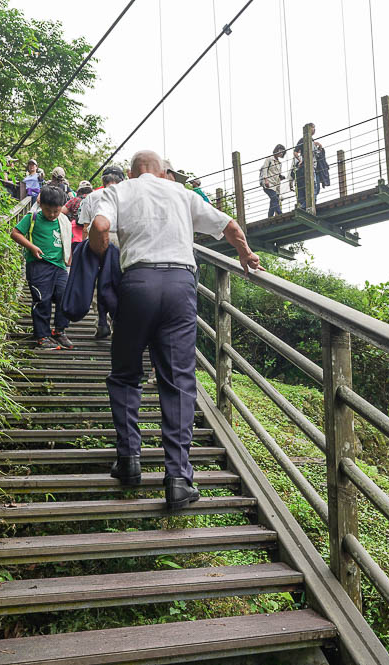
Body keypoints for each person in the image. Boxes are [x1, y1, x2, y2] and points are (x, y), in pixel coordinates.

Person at [88, 150, 260, 509]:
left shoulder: (119, 191)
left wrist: (102, 256)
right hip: (181, 285)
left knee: (124, 374)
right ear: (164, 172)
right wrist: (245, 254)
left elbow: (100, 228)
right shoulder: (183, 193)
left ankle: (130, 462)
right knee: (179, 380)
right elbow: (229, 226)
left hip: (138, 282)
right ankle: (179, 479)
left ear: (133, 172)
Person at [9, 186, 75, 350]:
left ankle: (59, 331)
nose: (52, 214)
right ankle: (42, 336)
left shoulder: (63, 220)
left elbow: (68, 240)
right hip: (39, 265)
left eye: (56, 211)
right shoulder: (34, 217)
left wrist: (70, 258)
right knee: (42, 299)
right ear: (41, 205)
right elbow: (15, 233)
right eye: (48, 210)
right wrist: (32, 247)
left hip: (59, 266)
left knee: (64, 296)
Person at [78, 172, 124, 339]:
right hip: (121, 239)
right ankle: (119, 321)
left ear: (102, 182)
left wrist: (84, 252)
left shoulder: (92, 196)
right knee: (121, 281)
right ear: (122, 181)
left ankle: (102, 320)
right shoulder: (127, 195)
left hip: (97, 238)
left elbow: (85, 226)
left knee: (98, 281)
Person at [292, 124, 323, 210]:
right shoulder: (303, 140)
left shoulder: (313, 141)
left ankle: (308, 205)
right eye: (313, 127)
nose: (314, 129)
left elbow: (317, 155)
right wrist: (300, 160)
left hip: (314, 167)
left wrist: (319, 147)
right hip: (306, 167)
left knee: (315, 188)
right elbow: (295, 152)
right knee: (313, 187)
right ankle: (306, 205)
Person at [64, 180, 94, 256]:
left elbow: (62, 211)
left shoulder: (75, 200)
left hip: (75, 233)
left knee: (75, 255)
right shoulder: (93, 200)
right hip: (90, 232)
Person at [260, 144, 286, 217]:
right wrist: (266, 180)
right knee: (274, 199)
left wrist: (281, 176)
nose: (281, 153)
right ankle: (280, 213)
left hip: (276, 184)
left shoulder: (280, 163)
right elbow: (264, 169)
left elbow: (278, 174)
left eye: (282, 152)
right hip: (269, 183)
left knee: (273, 200)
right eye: (280, 151)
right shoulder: (269, 159)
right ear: (276, 150)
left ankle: (270, 216)